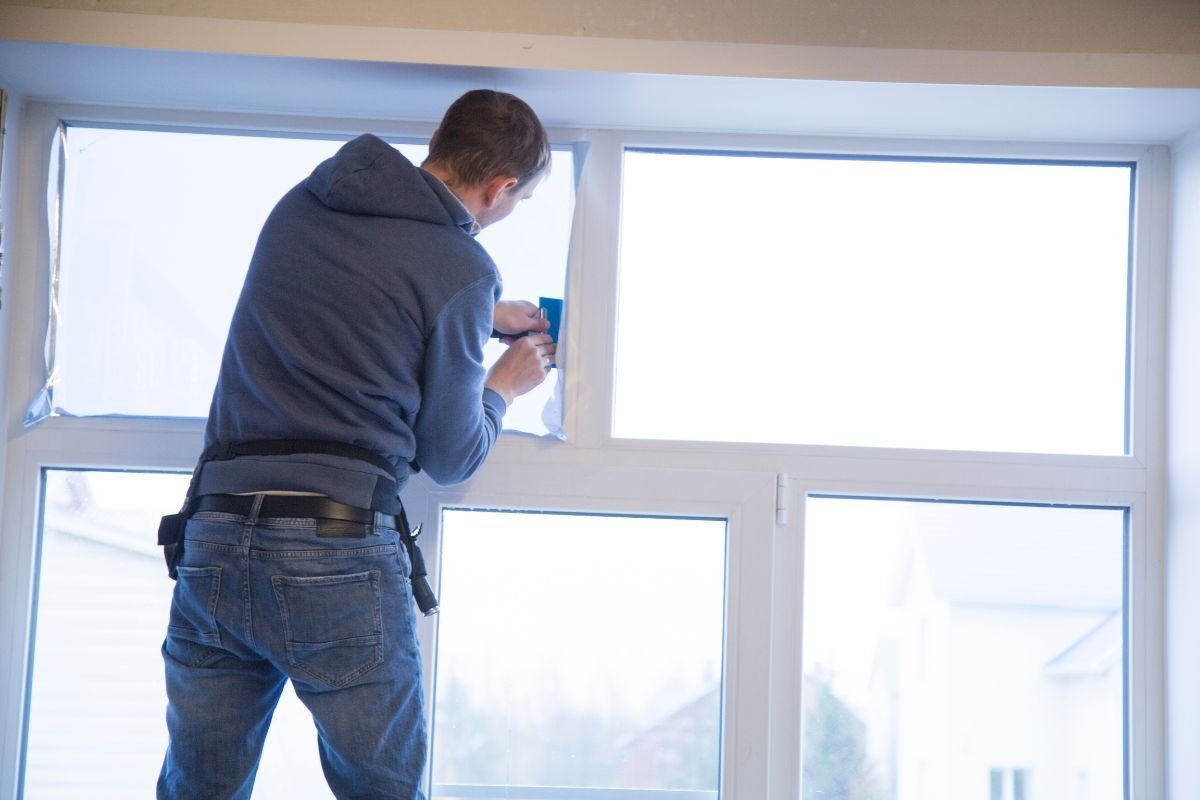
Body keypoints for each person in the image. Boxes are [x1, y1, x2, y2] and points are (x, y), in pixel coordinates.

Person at [157, 89, 556, 799]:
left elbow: (350, 296)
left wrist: (473, 315)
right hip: (333, 551)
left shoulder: (302, 206)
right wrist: (503, 386)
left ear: (439, 140)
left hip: (213, 534)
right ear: (500, 189)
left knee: (200, 788)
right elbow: (451, 453)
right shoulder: (460, 267)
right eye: (517, 201)